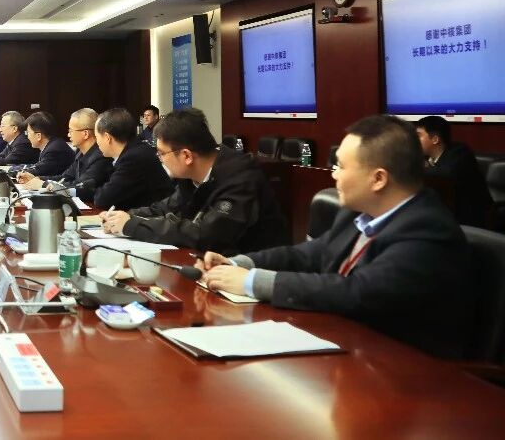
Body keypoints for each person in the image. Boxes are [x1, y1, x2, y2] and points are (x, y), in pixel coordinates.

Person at [198, 115, 471, 359]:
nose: (333, 173)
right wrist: (238, 264)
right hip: (346, 346)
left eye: (341, 166)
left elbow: (358, 292)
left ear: (378, 179)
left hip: (406, 371)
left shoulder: (427, 230)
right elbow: (307, 254)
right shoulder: (359, 213)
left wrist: (252, 282)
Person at [101, 108, 288, 255]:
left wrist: (133, 226)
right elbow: (166, 208)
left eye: (161, 153)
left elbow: (206, 234)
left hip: (249, 274)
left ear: (187, 156)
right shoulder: (191, 177)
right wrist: (124, 216)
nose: (159, 159)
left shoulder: (241, 178)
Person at [86, 108, 173, 211]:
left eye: (97, 137)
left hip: (156, 217)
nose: (97, 143)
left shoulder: (133, 158)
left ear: (107, 137)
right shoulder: (134, 150)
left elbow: (103, 199)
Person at [414, 115, 492, 228]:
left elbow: (445, 175)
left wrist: (421, 168)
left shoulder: (460, 152)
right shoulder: (424, 157)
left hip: (471, 220)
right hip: (443, 215)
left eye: (418, 135)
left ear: (435, 139)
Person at [18, 108, 112, 202]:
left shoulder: (100, 157)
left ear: (85, 134)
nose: (68, 135)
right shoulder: (80, 152)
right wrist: (37, 178)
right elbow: (65, 177)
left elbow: (81, 187)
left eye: (71, 131)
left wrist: (43, 184)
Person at [13, 111, 74, 178]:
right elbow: (35, 166)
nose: (27, 137)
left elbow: (37, 170)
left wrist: (10, 170)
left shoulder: (54, 150)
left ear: (38, 136)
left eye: (28, 133)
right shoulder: (52, 145)